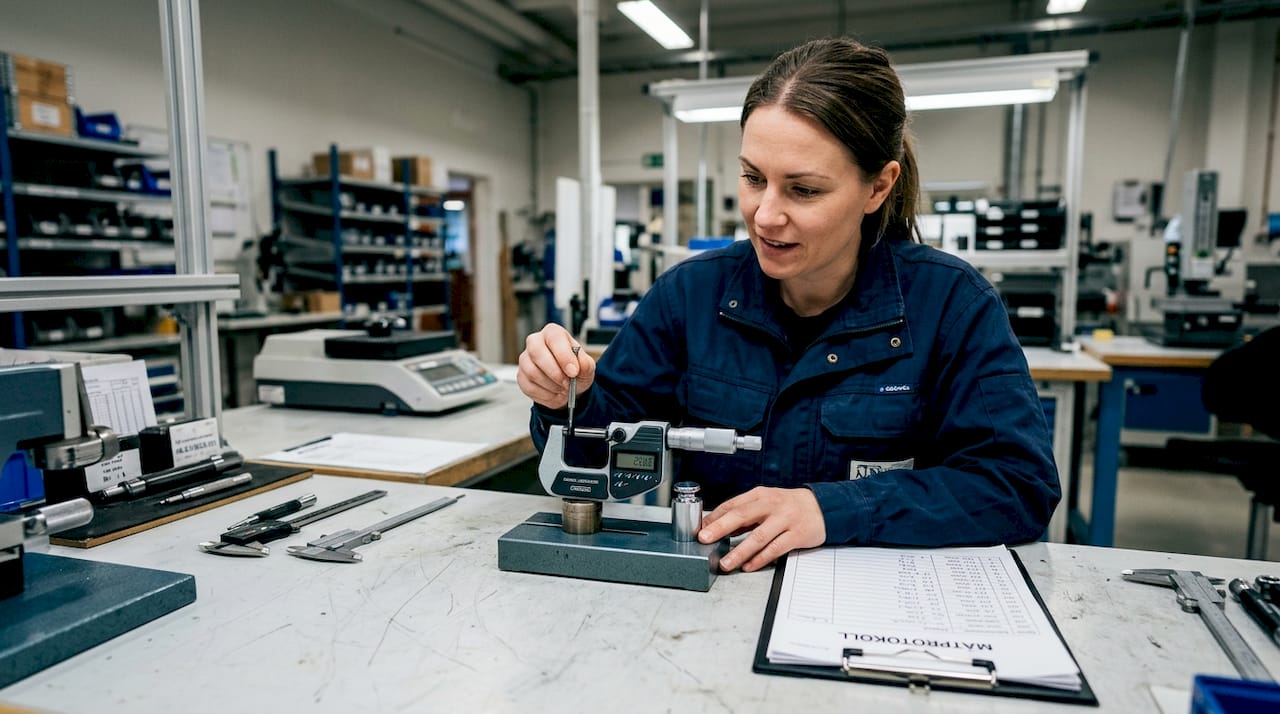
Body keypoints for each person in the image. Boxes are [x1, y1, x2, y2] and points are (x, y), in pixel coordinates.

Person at [516, 37, 1059, 573]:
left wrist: (831, 509)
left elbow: (1017, 486)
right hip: (717, 598)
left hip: (877, 607)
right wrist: (570, 397)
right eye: (753, 178)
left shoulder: (951, 306)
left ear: (878, 187)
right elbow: (594, 454)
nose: (765, 215)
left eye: (803, 190)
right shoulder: (690, 297)